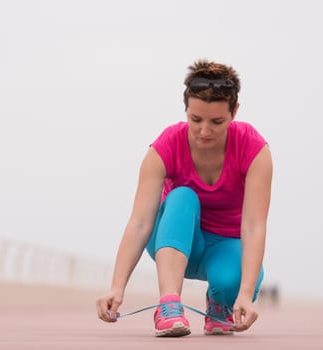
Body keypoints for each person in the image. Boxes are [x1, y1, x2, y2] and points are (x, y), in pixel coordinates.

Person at [96, 59, 273, 337]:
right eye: (196, 119)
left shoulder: (253, 148)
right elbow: (141, 223)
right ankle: (169, 305)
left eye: (217, 122)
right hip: (172, 240)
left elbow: (253, 226)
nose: (204, 131)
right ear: (186, 110)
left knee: (232, 282)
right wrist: (117, 287)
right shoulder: (167, 144)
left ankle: (219, 304)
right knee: (182, 197)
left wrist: (246, 294)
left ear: (234, 111)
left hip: (224, 245)